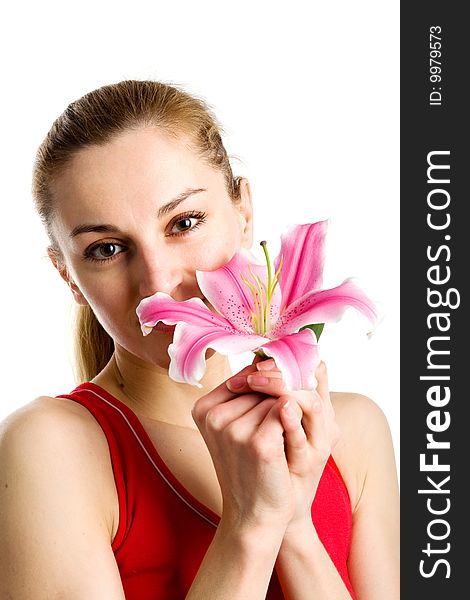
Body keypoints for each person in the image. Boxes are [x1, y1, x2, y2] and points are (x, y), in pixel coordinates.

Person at [0, 79, 399, 599]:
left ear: (243, 211)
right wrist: (249, 527)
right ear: (68, 277)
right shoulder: (50, 448)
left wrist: (296, 527)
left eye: (184, 222)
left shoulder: (352, 433)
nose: (158, 283)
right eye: (105, 249)